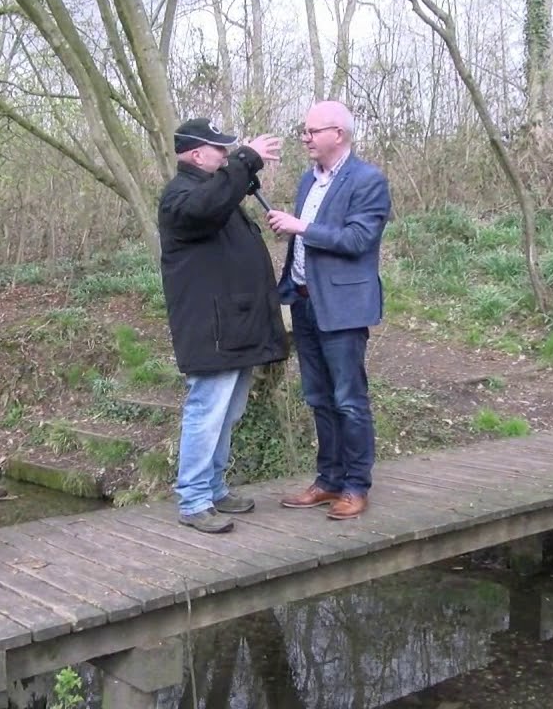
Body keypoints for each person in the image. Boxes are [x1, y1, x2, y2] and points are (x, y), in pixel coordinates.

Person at [158, 118, 287, 534]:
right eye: (221, 150)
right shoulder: (180, 196)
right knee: (207, 412)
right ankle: (194, 499)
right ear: (197, 155)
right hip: (212, 329)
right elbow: (206, 207)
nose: (228, 156)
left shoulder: (215, 193)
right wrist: (247, 160)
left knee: (228, 414)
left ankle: (213, 488)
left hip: (235, 327)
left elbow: (219, 201)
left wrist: (239, 175)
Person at [267, 101, 392, 521]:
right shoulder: (309, 181)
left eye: (311, 131)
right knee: (318, 397)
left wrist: (300, 226)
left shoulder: (368, 180)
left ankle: (356, 486)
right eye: (304, 131)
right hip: (304, 302)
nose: (304, 138)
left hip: (343, 307)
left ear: (337, 133)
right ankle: (328, 481)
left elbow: (358, 240)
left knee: (349, 400)